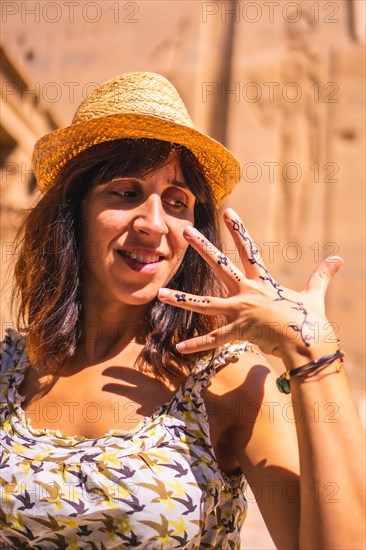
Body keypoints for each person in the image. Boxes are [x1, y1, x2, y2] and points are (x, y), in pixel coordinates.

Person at [0, 72, 364, 550]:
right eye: (126, 192)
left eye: (177, 202)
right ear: (73, 209)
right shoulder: (9, 367)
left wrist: (313, 358)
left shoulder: (227, 382)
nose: (154, 224)